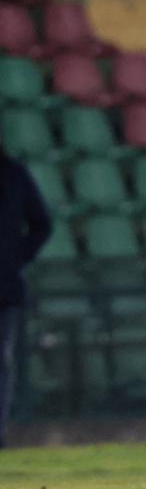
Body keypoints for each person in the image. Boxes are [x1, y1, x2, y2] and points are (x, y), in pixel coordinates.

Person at [0, 141, 52, 448]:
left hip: (4, 288)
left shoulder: (13, 175)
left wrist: (14, 258)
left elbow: (41, 224)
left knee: (1, 361)